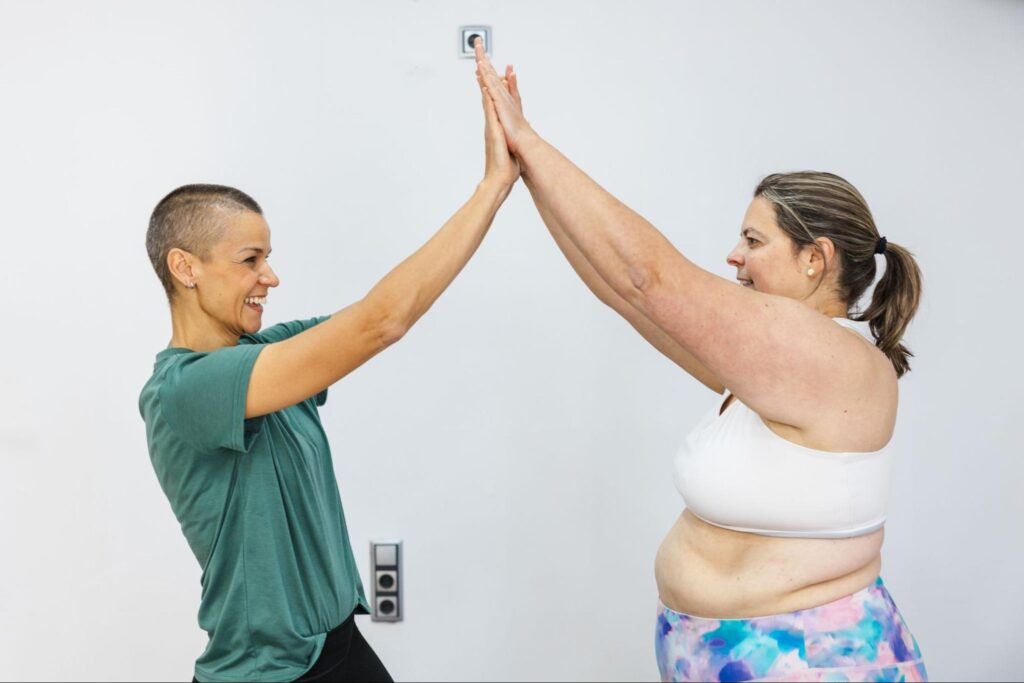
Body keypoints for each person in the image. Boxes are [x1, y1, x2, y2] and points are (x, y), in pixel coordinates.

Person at [474, 41, 927, 682]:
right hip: (728, 655)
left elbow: (647, 279)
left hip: (818, 664)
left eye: (753, 240)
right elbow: (623, 294)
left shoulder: (830, 358)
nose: (733, 257)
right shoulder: (773, 366)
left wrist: (532, 140)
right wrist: (523, 173)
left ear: (814, 259)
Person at [138, 81, 519, 682]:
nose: (271, 277)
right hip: (267, 672)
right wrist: (491, 187)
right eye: (250, 260)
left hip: (338, 647)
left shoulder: (268, 354)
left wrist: (501, 189)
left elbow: (392, 307)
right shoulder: (183, 390)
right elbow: (381, 323)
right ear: (184, 267)